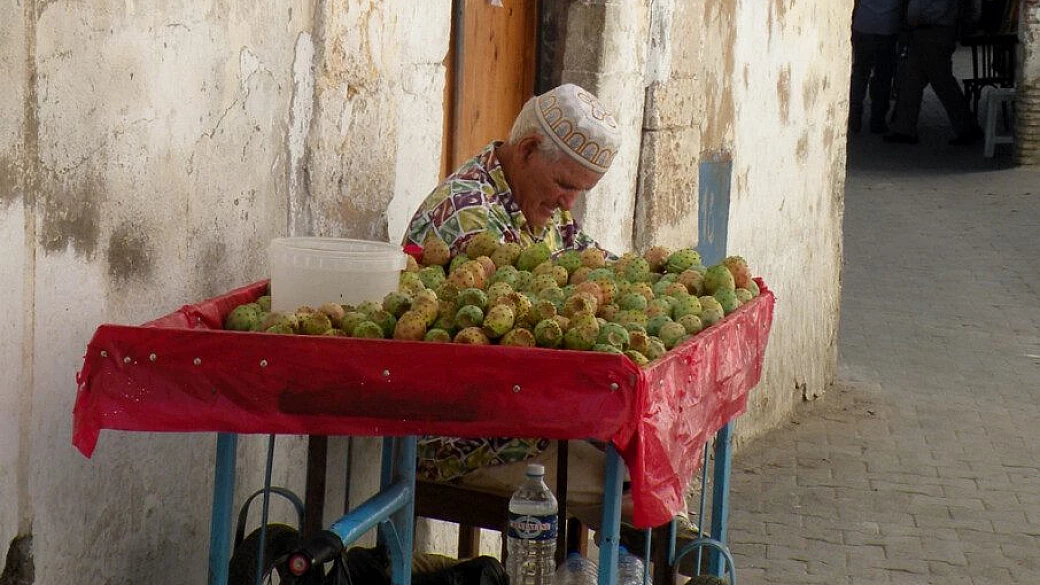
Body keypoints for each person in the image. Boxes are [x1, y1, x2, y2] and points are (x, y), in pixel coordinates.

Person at [403, 84, 700, 573]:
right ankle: (675, 548)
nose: (569, 203)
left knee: (652, 453)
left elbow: (593, 264)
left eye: (581, 192)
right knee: (633, 481)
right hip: (467, 438)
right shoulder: (468, 217)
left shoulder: (537, 207)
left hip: (530, 413)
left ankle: (669, 543)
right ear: (526, 151)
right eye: (566, 184)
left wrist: (664, 286)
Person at [884, 0, 984, 144]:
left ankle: (967, 128)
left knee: (942, 82)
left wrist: (912, 20)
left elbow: (929, 9)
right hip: (930, 31)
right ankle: (904, 128)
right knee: (912, 80)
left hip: (932, 31)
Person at [848, 0, 905, 134]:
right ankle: (877, 119)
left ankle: (854, 113)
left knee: (860, 72)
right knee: (883, 76)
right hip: (888, 25)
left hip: (863, 22)